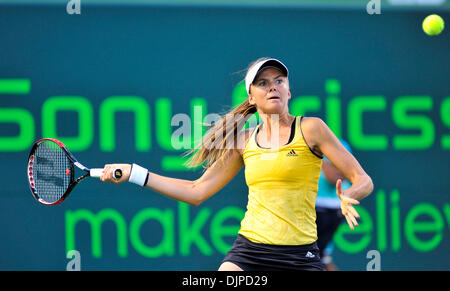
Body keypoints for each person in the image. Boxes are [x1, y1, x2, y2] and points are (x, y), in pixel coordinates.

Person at [99, 57, 374, 271]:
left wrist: (349, 195)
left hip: (299, 256)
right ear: (252, 98)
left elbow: (363, 179)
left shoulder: (312, 129)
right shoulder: (243, 141)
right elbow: (197, 191)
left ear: (289, 91)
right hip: (250, 251)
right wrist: (136, 173)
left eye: (279, 81)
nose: (273, 87)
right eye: (263, 83)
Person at [315, 139, 353, 271]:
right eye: (335, 164)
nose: (341, 170)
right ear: (322, 163)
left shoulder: (348, 191)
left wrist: (326, 259)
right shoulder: (308, 187)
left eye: (345, 165)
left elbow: (325, 239)